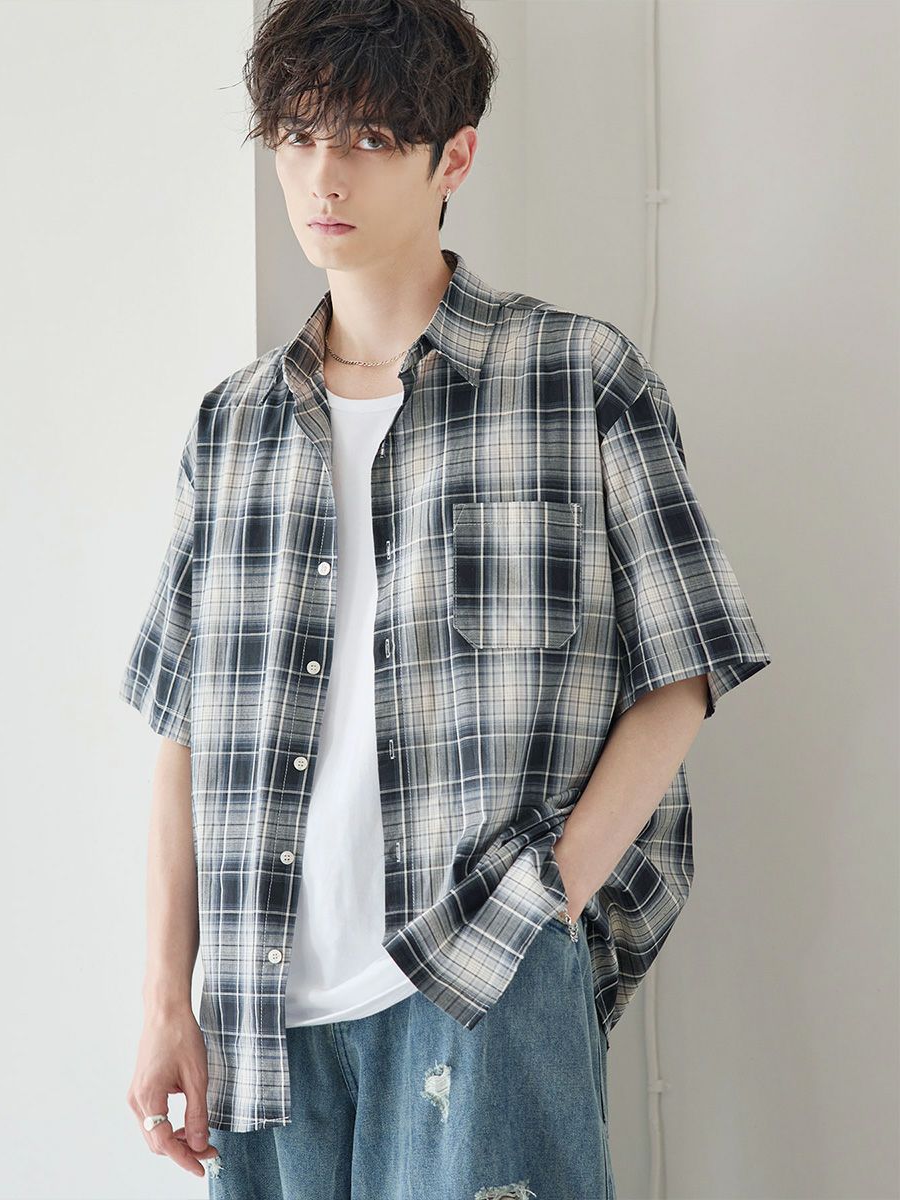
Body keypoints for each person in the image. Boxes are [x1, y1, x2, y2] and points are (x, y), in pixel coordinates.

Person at [119, 1, 772, 1196]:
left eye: (369, 138)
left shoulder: (579, 378)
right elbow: (182, 728)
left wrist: (547, 900)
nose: (324, 175)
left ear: (453, 156)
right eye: (298, 134)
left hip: (484, 979)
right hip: (262, 1019)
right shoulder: (231, 427)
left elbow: (683, 670)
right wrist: (168, 996)